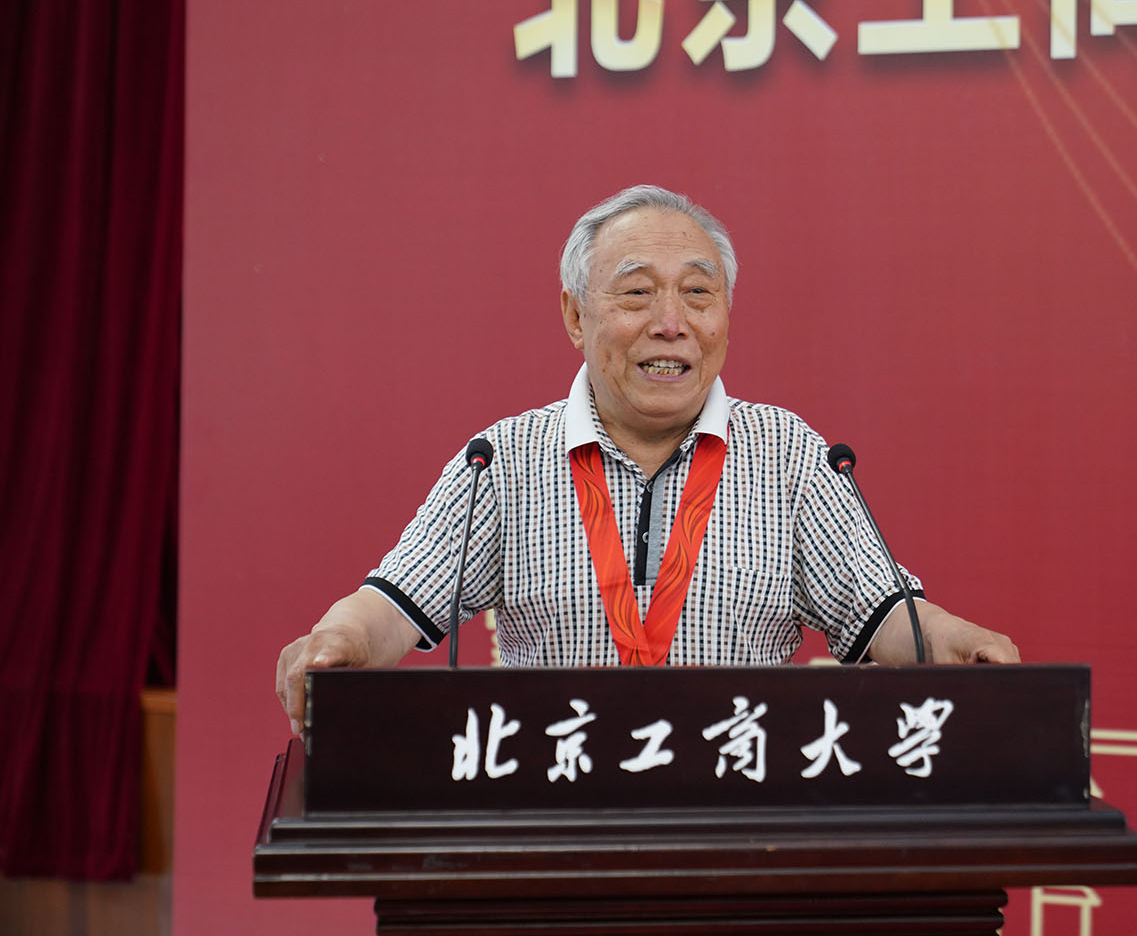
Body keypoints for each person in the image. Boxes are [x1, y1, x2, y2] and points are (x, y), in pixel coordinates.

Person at [276, 185, 1019, 735]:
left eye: (698, 293)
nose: (671, 323)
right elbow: (391, 605)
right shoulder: (502, 460)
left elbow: (887, 615)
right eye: (637, 293)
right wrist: (338, 643)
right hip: (554, 823)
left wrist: (956, 641)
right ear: (575, 315)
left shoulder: (787, 453)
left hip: (739, 823)